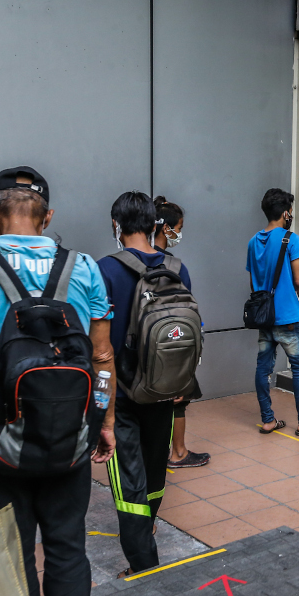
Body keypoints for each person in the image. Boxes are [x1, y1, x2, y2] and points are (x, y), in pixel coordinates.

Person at [0, 166, 115, 596]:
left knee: (13, 551)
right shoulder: (84, 266)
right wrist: (106, 421)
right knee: (67, 547)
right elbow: (102, 358)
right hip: (71, 434)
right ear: (48, 215)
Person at [96, 191, 196, 576]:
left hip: (121, 397)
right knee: (155, 472)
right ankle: (150, 525)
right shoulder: (177, 267)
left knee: (128, 485)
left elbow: (97, 345)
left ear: (116, 226)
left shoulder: (104, 270)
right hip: (165, 389)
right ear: (155, 224)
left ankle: (143, 565)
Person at [248, 189, 299, 435]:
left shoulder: (253, 242)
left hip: (265, 317)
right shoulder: (290, 239)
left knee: (263, 369)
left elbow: (254, 282)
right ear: (285, 213)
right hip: (289, 319)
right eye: (290, 211)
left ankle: (268, 420)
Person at [152, 196, 210, 469]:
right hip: (172, 341)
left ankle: (157, 451)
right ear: (166, 228)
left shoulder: (132, 260)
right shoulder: (174, 266)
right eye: (180, 226)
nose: (180, 233)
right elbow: (186, 309)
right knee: (178, 399)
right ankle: (178, 452)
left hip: (143, 345)